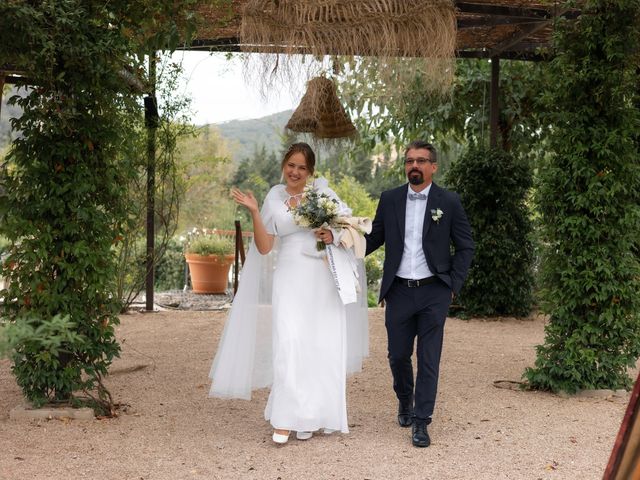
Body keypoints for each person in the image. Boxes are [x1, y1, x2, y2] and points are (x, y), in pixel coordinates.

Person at [208, 142, 368, 445]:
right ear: (284, 165)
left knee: (320, 345)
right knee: (290, 342)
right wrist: (255, 212)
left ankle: (313, 415)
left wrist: (330, 234)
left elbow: (351, 229)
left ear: (310, 171)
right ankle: (284, 419)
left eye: (302, 167)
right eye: (291, 165)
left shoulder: (322, 194)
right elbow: (266, 246)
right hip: (290, 277)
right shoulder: (273, 197)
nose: (295, 171)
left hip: (321, 278)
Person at [365, 140, 474, 448]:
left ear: (433, 166)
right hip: (399, 290)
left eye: (421, 161)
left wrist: (453, 284)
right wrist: (339, 240)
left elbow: (466, 246)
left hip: (434, 292)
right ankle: (404, 399)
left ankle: (422, 421)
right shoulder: (390, 199)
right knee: (398, 356)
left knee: (428, 359)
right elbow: (373, 239)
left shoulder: (448, 202)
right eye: (410, 161)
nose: (414, 165)